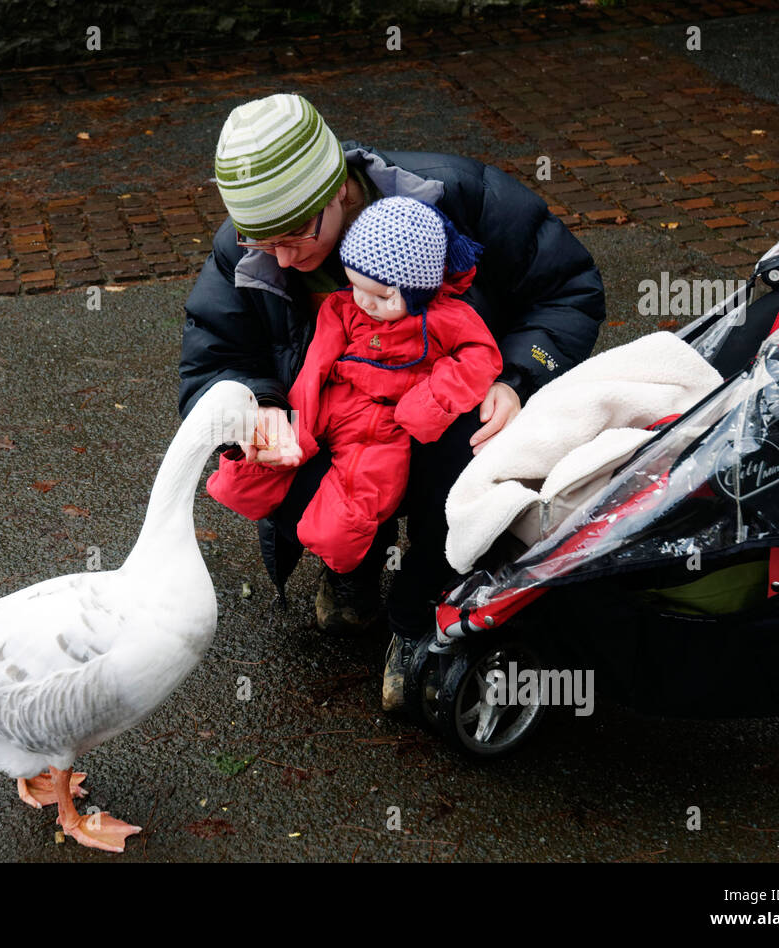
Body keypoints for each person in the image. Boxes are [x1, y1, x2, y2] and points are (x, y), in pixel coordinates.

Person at [178, 93, 605, 711]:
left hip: (449, 407)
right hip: (343, 419)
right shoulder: (249, 245)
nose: (282, 257)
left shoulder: (458, 194)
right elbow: (214, 351)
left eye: (298, 233)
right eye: (260, 239)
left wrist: (516, 379)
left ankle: (423, 615)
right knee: (279, 462)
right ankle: (351, 569)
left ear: (339, 190)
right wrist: (257, 406)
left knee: (455, 477)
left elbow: (568, 289)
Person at [205, 196, 502, 582]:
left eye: (382, 296)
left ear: (418, 289)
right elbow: (317, 362)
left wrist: (429, 403)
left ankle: (343, 564)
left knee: (365, 483)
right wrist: (301, 411)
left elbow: (480, 357)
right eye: (356, 286)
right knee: (280, 444)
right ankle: (242, 484)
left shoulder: (451, 319)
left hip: (387, 419)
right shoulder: (345, 306)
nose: (366, 302)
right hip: (333, 397)